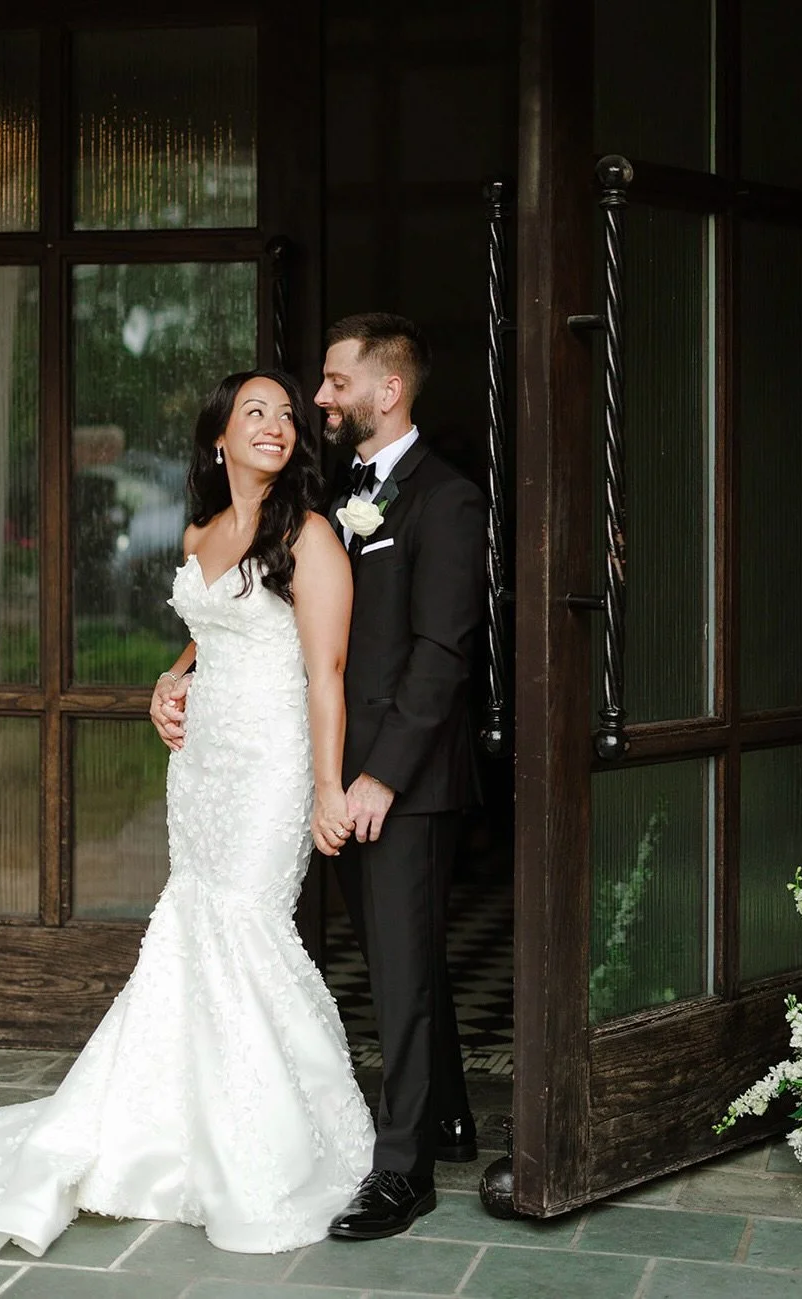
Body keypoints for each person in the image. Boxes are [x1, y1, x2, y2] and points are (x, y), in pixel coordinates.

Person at [0, 370, 375, 1256]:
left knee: (245, 923)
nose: (275, 425)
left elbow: (325, 669)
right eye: (254, 413)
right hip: (199, 768)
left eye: (284, 414)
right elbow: (220, 621)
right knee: (194, 923)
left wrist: (322, 784)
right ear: (217, 440)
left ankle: (267, 1139)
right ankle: (174, 1125)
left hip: (271, 764)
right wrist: (174, 671)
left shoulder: (308, 534)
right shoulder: (201, 531)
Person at [319, 313, 486, 1240]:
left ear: (387, 391)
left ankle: (403, 1172)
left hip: (403, 780)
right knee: (404, 955)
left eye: (336, 380)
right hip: (338, 769)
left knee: (399, 972)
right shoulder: (339, 489)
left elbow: (441, 652)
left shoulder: (446, 499)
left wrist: (381, 774)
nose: (321, 397)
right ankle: (450, 1113)